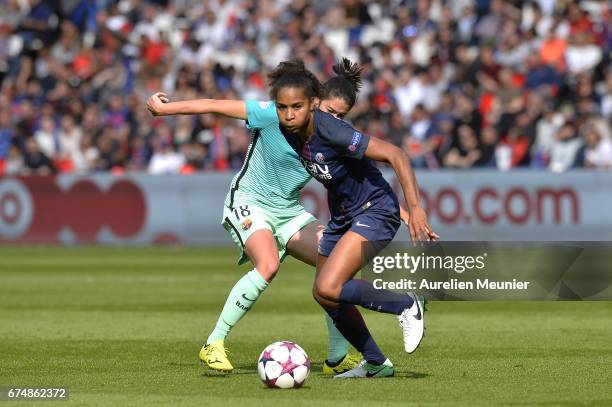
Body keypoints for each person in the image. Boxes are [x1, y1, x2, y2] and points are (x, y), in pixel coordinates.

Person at [146, 59, 412, 374]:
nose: (332, 119)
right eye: (329, 111)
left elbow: (355, 179)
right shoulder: (274, 113)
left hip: (288, 210)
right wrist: (166, 109)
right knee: (269, 264)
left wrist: (402, 211)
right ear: (315, 102)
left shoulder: (329, 135)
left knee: (334, 274)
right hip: (249, 201)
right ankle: (213, 343)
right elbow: (215, 105)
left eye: (340, 116)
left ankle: (338, 357)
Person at [267, 60, 438, 378]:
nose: (289, 114)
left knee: (331, 285)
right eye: (282, 107)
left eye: (296, 107)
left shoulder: (330, 128)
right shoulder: (287, 126)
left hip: (373, 211)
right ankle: (375, 362)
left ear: (311, 104)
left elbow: (396, 154)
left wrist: (414, 209)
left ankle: (405, 304)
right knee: (322, 293)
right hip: (343, 216)